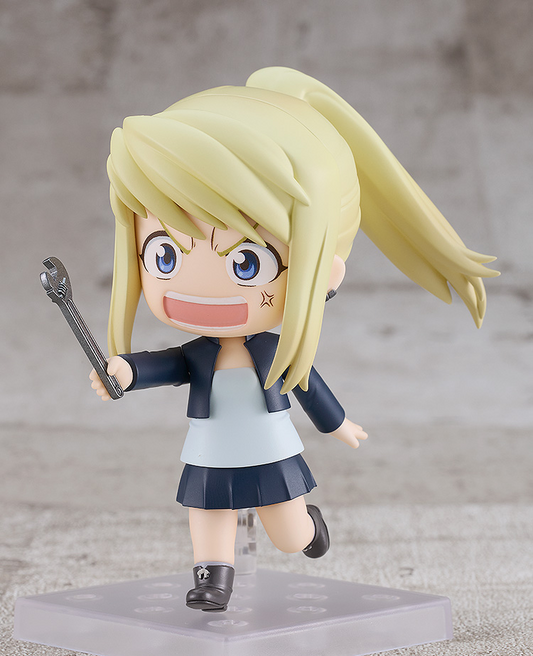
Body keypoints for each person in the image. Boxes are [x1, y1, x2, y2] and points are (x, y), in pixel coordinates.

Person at [89, 67, 498, 612]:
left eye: (246, 262)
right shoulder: (199, 355)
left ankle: (309, 527)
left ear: (325, 274)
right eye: (163, 255)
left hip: (270, 449)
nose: (195, 286)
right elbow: (165, 365)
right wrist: (127, 371)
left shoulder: (271, 352)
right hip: (209, 450)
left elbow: (307, 385)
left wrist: (338, 423)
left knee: (286, 532)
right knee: (205, 512)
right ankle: (213, 578)